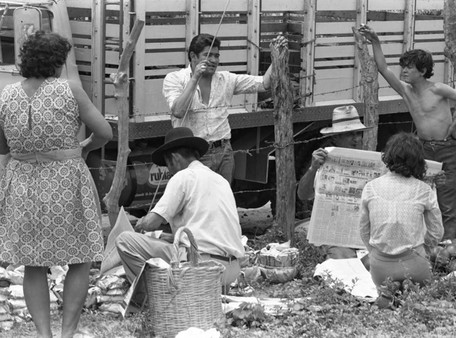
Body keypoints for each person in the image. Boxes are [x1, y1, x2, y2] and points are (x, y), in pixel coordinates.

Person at [0, 31, 113, 338]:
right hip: (65, 180)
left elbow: (2, 146)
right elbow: (104, 132)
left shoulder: (6, 95)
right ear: (58, 61)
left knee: (32, 263)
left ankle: (43, 334)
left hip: (22, 184)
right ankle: (68, 333)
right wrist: (85, 146)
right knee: (79, 255)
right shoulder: (70, 90)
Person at [359, 25, 456, 240]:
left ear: (422, 71)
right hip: (422, 150)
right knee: (415, 197)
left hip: (446, 149)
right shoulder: (406, 91)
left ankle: (447, 249)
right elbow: (383, 68)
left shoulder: (438, 89)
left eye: (409, 68)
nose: (403, 71)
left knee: (447, 203)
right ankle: (418, 244)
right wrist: (375, 41)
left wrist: (454, 126)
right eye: (403, 67)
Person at [115, 127, 245, 290]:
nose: (169, 171)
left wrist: (141, 223)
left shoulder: (183, 177)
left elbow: (151, 223)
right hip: (230, 270)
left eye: (168, 165)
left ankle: (147, 296)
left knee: (124, 240)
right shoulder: (220, 180)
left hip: (201, 268)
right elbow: (202, 232)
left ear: (174, 159)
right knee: (168, 241)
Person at [162, 33, 288, 184]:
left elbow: (263, 84)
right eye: (208, 55)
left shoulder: (226, 79)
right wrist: (195, 78)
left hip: (223, 153)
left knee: (223, 200)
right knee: (197, 202)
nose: (214, 61)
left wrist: (278, 52)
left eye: (217, 56)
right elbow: (178, 111)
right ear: (193, 56)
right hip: (193, 155)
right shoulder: (174, 78)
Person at [359, 132, 444, 309]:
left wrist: (375, 252)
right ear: (419, 161)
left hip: (380, 268)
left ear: (387, 157)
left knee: (384, 283)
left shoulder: (370, 188)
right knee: (420, 292)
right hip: (415, 264)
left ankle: (388, 292)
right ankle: (409, 292)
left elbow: (364, 230)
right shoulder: (424, 190)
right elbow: (437, 231)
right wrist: (425, 250)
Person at [297, 105, 370, 259]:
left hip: (362, 231)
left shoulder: (369, 162)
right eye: (350, 134)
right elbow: (303, 195)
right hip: (334, 232)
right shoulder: (323, 161)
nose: (356, 139)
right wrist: (312, 169)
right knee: (342, 257)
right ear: (336, 137)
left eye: (358, 134)